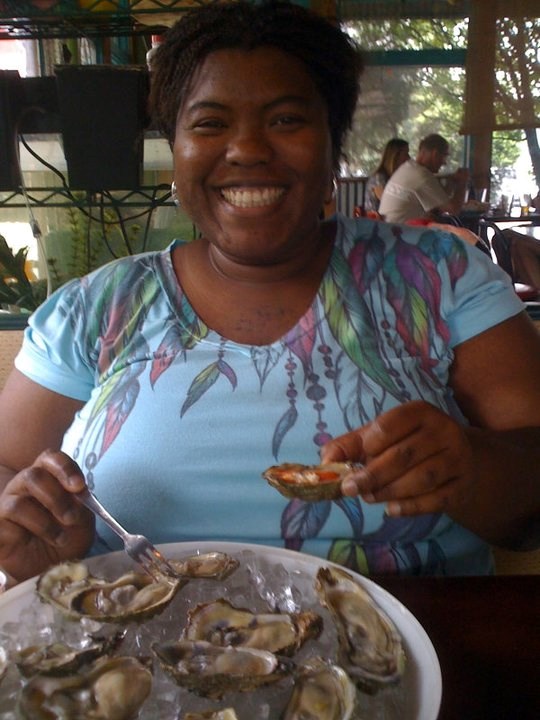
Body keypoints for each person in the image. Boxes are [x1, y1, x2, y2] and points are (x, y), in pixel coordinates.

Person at [1, 1, 540, 586]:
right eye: (209, 123)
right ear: (172, 147)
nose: (248, 149)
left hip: (413, 648)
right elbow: (9, 468)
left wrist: (472, 468)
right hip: (131, 652)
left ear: (334, 143)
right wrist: (31, 530)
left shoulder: (439, 277)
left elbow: (530, 504)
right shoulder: (97, 307)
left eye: (286, 120)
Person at [379, 133, 469, 223]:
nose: (444, 163)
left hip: (390, 230)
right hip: (401, 233)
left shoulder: (409, 168)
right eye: (444, 157)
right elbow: (453, 209)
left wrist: (452, 183)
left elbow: (439, 201)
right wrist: (463, 182)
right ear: (435, 154)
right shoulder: (422, 175)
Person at [364, 138, 409, 214]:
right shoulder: (378, 178)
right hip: (377, 222)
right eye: (406, 154)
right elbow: (387, 201)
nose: (409, 158)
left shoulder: (396, 176)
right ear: (396, 156)